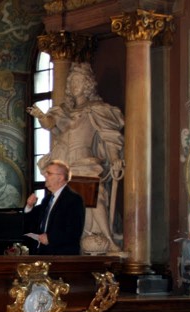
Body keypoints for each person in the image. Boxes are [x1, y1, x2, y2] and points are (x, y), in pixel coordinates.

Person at [27, 62, 124, 253]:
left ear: (87, 84)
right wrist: (41, 115)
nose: (74, 85)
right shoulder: (64, 111)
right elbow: (50, 123)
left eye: (78, 81)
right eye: (71, 82)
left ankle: (108, 238)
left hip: (85, 161)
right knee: (61, 205)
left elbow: (110, 136)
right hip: (64, 160)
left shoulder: (97, 109)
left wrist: (115, 159)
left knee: (96, 199)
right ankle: (66, 240)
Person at [23, 158, 85, 255]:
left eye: (49, 173)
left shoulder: (74, 200)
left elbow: (74, 231)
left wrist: (50, 238)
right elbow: (34, 221)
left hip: (61, 256)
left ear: (60, 178)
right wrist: (29, 205)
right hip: (43, 253)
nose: (45, 175)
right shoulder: (47, 199)